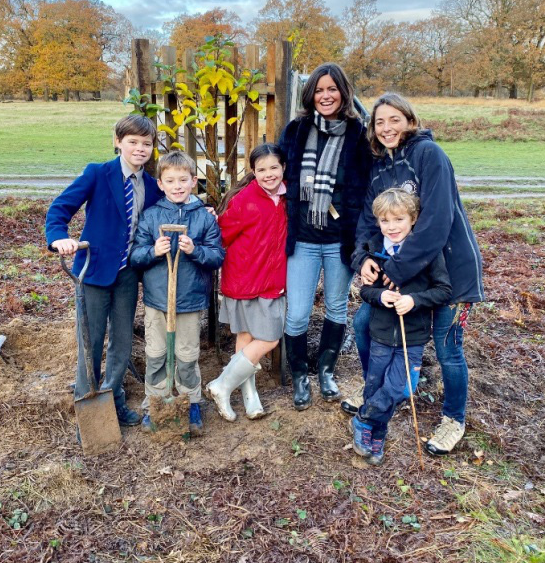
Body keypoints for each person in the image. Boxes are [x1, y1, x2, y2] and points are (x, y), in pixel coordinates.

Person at [351, 93, 484, 455]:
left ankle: (452, 420)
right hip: (403, 274)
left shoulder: (429, 156)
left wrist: (394, 271)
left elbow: (437, 222)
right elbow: (368, 218)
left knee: (447, 348)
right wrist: (362, 257)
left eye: (394, 119)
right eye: (379, 122)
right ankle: (378, 394)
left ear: (410, 121)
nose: (386, 127)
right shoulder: (380, 166)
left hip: (449, 270)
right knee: (364, 323)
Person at [46, 114, 161, 427]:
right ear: (118, 142)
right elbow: (60, 209)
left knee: (122, 341)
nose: (140, 149)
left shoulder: (151, 186)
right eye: (133, 142)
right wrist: (59, 238)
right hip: (93, 272)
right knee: (91, 339)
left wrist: (198, 208)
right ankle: (87, 402)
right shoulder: (98, 174)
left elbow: (174, 206)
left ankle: (113, 398)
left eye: (146, 144)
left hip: (127, 275)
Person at [278, 63, 372, 410]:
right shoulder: (297, 130)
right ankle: (301, 377)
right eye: (319, 90)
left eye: (332, 89)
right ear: (310, 94)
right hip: (302, 240)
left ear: (343, 92)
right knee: (298, 313)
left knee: (336, 306)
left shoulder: (358, 134)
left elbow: (367, 186)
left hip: (340, 241)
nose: (326, 95)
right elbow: (271, 174)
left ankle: (327, 372)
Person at [352, 188, 451, 465]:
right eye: (385, 221)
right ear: (378, 221)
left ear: (413, 219)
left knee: (400, 388)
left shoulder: (428, 252)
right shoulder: (374, 250)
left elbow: (443, 290)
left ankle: (363, 420)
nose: (392, 227)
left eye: (399, 220)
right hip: (381, 335)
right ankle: (377, 435)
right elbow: (365, 292)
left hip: (414, 336)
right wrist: (380, 296)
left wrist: (414, 300)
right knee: (375, 386)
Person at [130, 151, 224, 436]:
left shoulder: (204, 218)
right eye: (170, 180)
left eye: (183, 180)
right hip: (158, 300)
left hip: (190, 300)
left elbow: (217, 256)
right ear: (160, 184)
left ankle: (190, 400)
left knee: (186, 354)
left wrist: (195, 251)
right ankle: (155, 400)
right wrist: (152, 251)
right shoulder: (151, 216)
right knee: (156, 352)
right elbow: (135, 255)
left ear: (194, 181)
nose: (177, 186)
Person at [207, 143, 288, 421]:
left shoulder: (287, 198)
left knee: (260, 338)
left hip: (271, 280)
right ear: (253, 172)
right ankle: (228, 387)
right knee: (260, 337)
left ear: (283, 168)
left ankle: (236, 390)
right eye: (261, 169)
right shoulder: (245, 199)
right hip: (244, 278)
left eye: (274, 167)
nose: (269, 174)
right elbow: (221, 234)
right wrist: (208, 220)